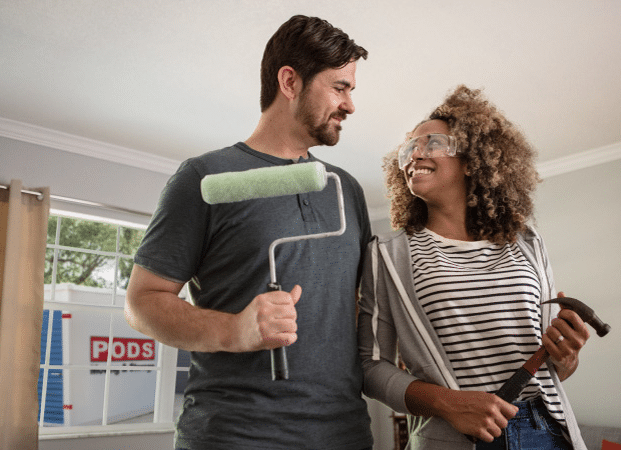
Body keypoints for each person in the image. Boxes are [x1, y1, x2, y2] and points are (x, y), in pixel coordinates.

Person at [125, 15, 373, 450]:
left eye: (350, 89)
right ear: (290, 81)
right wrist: (234, 330)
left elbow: (360, 310)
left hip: (344, 433)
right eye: (340, 87)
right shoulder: (204, 176)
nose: (350, 104)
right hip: (235, 435)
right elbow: (142, 303)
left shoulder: (345, 190)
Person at [357, 85, 590, 450]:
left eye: (431, 143)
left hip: (545, 432)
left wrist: (568, 356)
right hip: (454, 439)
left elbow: (553, 369)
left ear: (471, 159)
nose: (413, 154)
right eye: (407, 148)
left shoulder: (527, 243)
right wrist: (448, 404)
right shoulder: (388, 254)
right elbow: (370, 368)